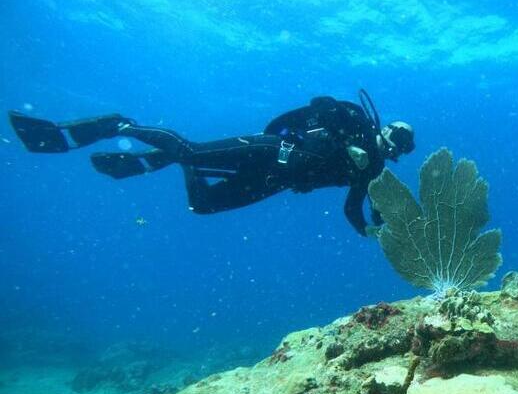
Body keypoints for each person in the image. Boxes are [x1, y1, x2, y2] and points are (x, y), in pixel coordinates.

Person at [7, 90, 415, 235]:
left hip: (275, 181)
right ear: (386, 128)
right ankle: (120, 124)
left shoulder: (375, 172)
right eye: (396, 138)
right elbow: (318, 105)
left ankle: (173, 161)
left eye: (402, 149)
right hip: (271, 150)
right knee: (191, 149)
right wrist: (344, 138)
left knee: (203, 206)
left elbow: (353, 208)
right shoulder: (356, 121)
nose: (394, 149)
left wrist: (375, 230)